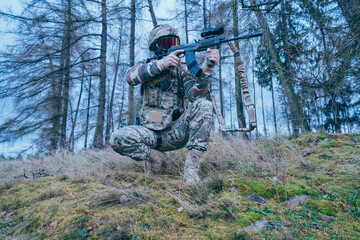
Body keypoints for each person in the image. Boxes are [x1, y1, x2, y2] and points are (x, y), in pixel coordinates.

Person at [110, 24, 219, 185]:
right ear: (156, 47)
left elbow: (195, 95)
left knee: (204, 105)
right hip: (150, 134)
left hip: (176, 132)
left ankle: (191, 174)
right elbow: (130, 77)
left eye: (175, 43)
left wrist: (208, 68)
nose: (172, 47)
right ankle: (156, 158)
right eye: (167, 43)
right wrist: (162, 64)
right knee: (117, 138)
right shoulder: (147, 66)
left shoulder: (182, 69)